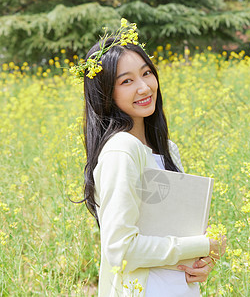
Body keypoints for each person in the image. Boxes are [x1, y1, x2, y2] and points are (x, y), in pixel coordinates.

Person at [74, 20, 227, 296]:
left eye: (147, 73)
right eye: (127, 81)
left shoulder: (167, 149)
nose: (144, 87)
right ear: (105, 92)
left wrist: (203, 261)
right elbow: (120, 249)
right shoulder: (122, 150)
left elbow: (175, 235)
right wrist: (202, 246)